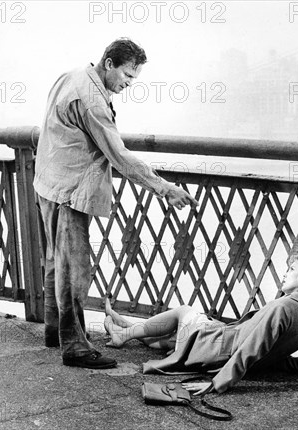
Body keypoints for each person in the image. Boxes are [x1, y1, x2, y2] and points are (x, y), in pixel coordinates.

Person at [33, 38, 198, 369]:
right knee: (74, 272)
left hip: (49, 182)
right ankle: (76, 347)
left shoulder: (73, 75)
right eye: (127, 75)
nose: (129, 84)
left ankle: (56, 331)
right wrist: (165, 189)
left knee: (56, 261)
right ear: (109, 64)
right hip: (70, 192)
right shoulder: (93, 101)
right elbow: (120, 157)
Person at [104, 249, 298, 394]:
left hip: (217, 349)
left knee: (183, 312)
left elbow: (250, 348)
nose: (285, 273)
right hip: (217, 353)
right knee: (174, 339)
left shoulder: (283, 307)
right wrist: (272, 361)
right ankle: (127, 327)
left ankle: (125, 333)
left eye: (292, 269)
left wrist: (217, 384)